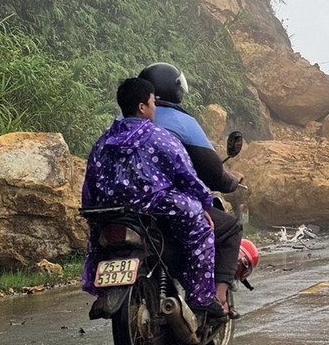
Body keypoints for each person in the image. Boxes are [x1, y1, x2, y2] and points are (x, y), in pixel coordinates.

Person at [81, 77, 224, 318]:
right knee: (201, 231)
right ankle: (201, 299)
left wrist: (92, 210)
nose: (154, 108)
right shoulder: (160, 137)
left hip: (110, 210)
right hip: (153, 205)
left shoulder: (103, 142)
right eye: (152, 103)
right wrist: (204, 203)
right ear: (142, 107)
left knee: (98, 239)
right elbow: (186, 175)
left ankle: (103, 293)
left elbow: (90, 183)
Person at [138, 62, 244, 318]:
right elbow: (209, 171)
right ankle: (215, 299)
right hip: (168, 204)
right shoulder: (180, 123)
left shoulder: (121, 124)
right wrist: (228, 182)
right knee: (228, 227)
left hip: (126, 206)